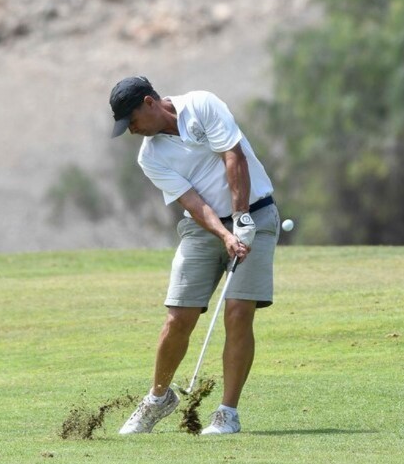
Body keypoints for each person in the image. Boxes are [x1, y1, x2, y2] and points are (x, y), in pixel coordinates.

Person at [109, 76, 279, 435]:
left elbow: (233, 156)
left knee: (237, 312)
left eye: (132, 120)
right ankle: (158, 399)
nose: (132, 130)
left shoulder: (201, 104)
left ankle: (227, 413)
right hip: (204, 227)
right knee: (178, 317)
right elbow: (192, 202)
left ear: (149, 102)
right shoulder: (150, 157)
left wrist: (243, 218)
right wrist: (224, 234)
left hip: (256, 214)